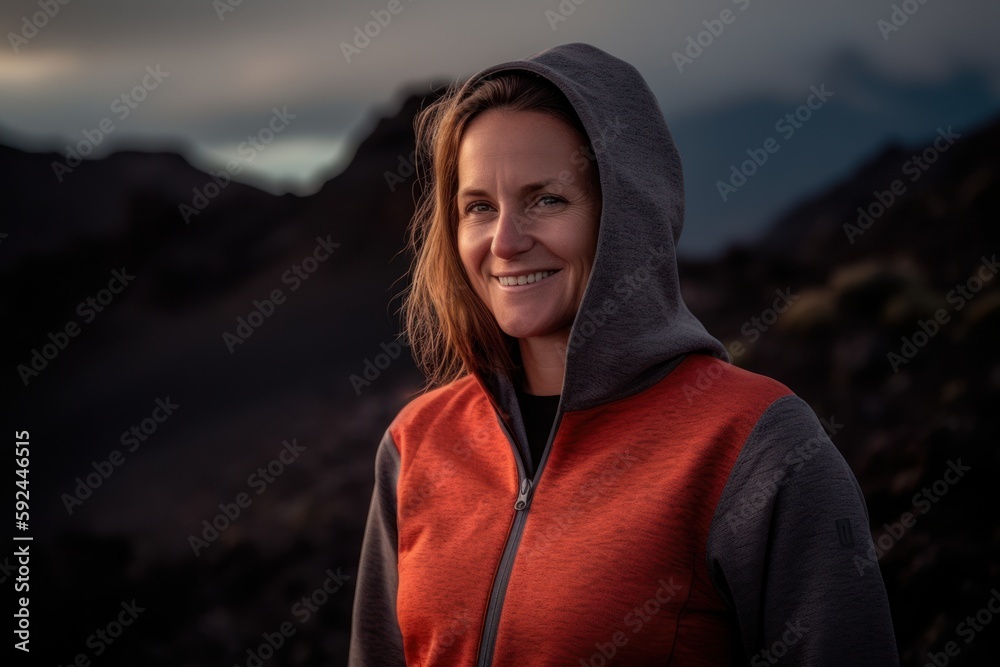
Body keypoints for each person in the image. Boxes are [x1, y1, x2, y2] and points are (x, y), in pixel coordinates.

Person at [348, 42, 899, 666]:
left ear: (627, 214)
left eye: (546, 199)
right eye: (480, 207)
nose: (504, 241)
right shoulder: (415, 445)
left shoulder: (758, 447)